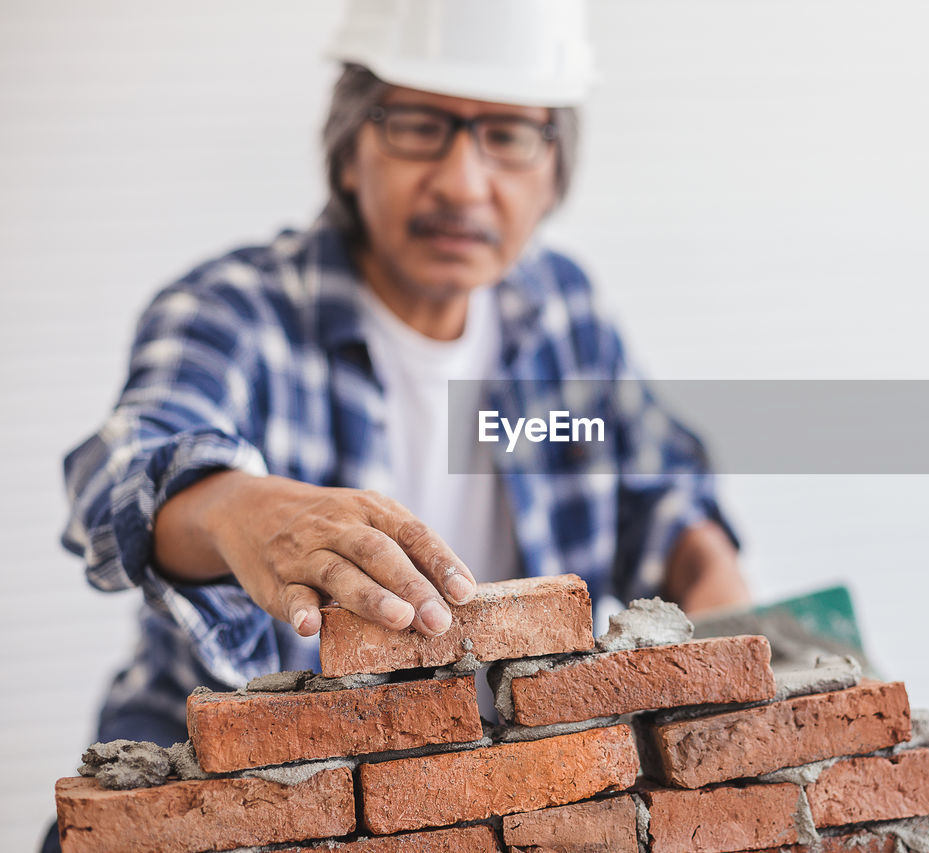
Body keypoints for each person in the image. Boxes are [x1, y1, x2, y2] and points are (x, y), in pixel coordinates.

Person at [43, 1, 746, 849]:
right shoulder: (242, 313)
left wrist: (710, 584)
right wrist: (234, 509)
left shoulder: (559, 316)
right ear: (348, 153)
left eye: (510, 135)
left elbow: (658, 480)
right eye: (418, 126)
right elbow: (118, 476)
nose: (461, 182)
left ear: (555, 168)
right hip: (229, 809)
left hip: (502, 801)